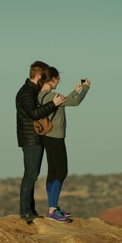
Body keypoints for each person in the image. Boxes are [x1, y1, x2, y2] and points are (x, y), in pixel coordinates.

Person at [15, 61, 66, 223]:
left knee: (33, 175)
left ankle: (30, 210)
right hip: (31, 139)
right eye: (43, 76)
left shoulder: (34, 91)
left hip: (36, 137)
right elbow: (33, 114)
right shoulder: (26, 93)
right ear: (38, 76)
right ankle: (25, 212)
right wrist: (54, 104)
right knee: (30, 175)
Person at [37, 66, 90, 222]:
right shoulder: (51, 96)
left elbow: (66, 101)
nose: (59, 81)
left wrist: (75, 90)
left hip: (48, 137)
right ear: (52, 79)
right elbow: (75, 102)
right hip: (55, 137)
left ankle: (52, 207)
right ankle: (52, 209)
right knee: (61, 171)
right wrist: (85, 88)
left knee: (53, 171)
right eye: (58, 78)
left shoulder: (42, 95)